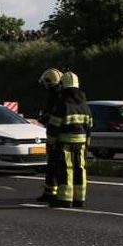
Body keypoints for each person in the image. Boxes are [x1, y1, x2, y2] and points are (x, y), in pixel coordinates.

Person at [48, 72, 92, 209]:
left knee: (66, 170)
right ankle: (79, 199)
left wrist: (50, 144)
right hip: (81, 144)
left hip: (65, 144)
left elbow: (53, 127)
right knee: (80, 169)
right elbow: (89, 127)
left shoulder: (62, 105)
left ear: (63, 86)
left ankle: (64, 199)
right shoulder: (85, 105)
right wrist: (87, 144)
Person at [36, 68, 63, 202]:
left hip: (56, 137)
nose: (44, 87)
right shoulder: (63, 95)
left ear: (49, 82)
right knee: (57, 166)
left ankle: (50, 193)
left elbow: (52, 117)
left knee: (53, 165)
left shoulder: (55, 96)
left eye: (45, 84)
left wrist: (43, 119)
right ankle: (54, 192)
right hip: (62, 137)